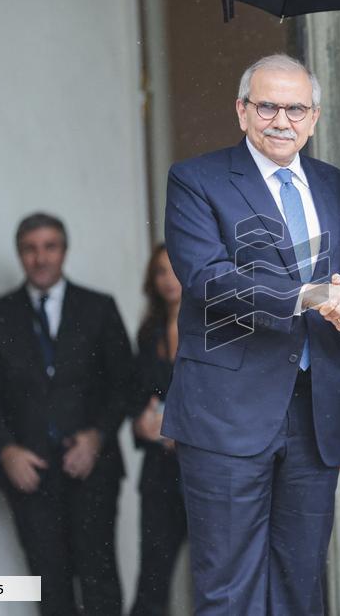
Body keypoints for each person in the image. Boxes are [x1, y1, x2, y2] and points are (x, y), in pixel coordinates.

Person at [162, 53, 340, 615]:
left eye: (295, 108)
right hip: (226, 411)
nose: (282, 120)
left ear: (316, 116)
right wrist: (303, 296)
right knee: (230, 589)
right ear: (242, 111)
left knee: (300, 587)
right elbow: (206, 279)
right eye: (267, 105)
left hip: (317, 411)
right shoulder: (196, 179)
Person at [0, 212, 133, 616]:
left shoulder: (98, 307)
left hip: (93, 469)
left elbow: (125, 382)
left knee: (100, 584)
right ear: (20, 255)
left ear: (64, 251)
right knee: (49, 589)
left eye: (49, 247)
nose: (40, 258)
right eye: (30, 249)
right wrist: (7, 452)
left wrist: (97, 436)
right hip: (30, 475)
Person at [128, 243, 187, 616]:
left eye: (174, 269)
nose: (168, 280)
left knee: (217, 564)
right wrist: (142, 423)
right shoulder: (148, 332)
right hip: (160, 468)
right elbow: (137, 395)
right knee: (154, 571)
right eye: (160, 272)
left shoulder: (208, 327)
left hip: (201, 464)